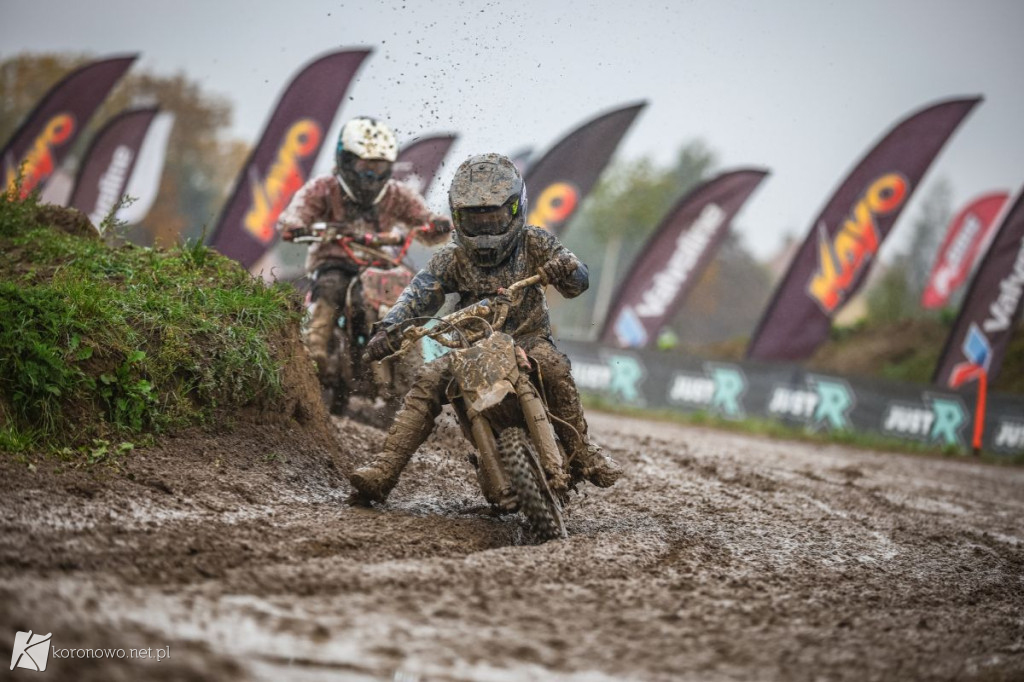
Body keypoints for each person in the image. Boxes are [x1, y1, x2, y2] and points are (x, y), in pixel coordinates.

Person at [348, 152, 623, 504]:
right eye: (475, 220)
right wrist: (389, 330)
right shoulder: (451, 257)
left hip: (529, 339)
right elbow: (417, 296)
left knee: (554, 367)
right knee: (429, 381)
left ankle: (582, 452)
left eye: (494, 217)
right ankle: (384, 471)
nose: (486, 228)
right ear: (458, 217)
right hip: (468, 348)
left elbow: (577, 282)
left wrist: (565, 268)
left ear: (515, 208)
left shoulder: (534, 241)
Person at [278, 117, 451, 376]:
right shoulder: (324, 188)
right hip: (333, 260)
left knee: (407, 293)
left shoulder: (397, 193)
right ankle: (313, 357)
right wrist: (297, 226)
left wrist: (437, 225)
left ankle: (411, 362)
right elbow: (295, 216)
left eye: (379, 167)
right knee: (330, 288)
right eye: (365, 166)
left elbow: (424, 223)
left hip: (380, 263)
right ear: (346, 162)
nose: (372, 174)